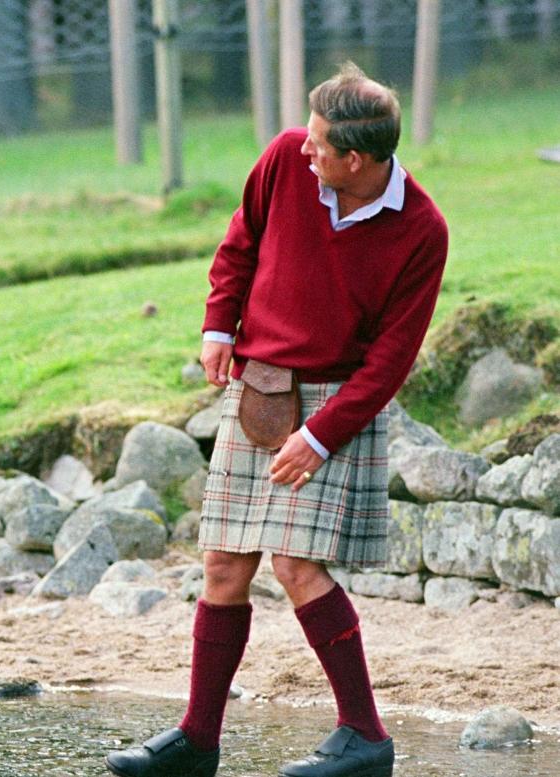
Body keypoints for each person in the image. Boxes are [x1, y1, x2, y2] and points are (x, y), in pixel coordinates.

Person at [105, 62, 448, 777]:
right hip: (257, 387)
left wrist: (322, 435)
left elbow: (389, 360)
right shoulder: (284, 160)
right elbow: (239, 243)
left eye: (319, 145)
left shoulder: (421, 230)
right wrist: (218, 325)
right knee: (224, 565)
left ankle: (365, 735)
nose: (303, 150)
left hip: (336, 404)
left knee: (295, 563)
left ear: (355, 159)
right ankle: (198, 738)